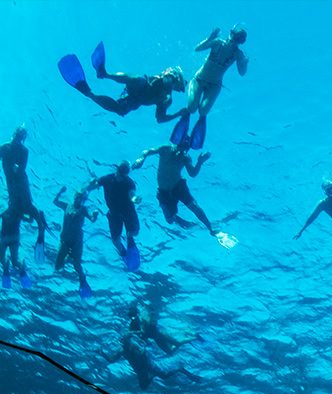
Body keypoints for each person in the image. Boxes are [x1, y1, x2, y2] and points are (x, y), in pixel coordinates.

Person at [57, 42, 187, 124]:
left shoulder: (166, 100)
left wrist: (177, 114)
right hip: (143, 84)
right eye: (181, 86)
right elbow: (168, 80)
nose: (180, 89)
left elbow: (160, 119)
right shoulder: (171, 78)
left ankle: (90, 93)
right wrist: (169, 95)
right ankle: (105, 74)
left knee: (120, 110)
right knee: (137, 80)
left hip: (135, 99)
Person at [171, 25, 248, 149]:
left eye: (238, 40)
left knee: (203, 110)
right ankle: (186, 118)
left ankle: (198, 125)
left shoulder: (237, 54)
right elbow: (197, 48)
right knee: (191, 108)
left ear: (240, 42)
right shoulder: (218, 43)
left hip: (214, 86)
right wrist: (209, 38)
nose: (233, 41)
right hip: (199, 80)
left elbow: (242, 73)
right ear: (230, 34)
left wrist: (244, 63)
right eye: (234, 37)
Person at [132, 138, 216, 236]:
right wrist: (141, 158)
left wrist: (200, 162)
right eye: (181, 147)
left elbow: (192, 173)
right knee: (169, 220)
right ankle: (176, 218)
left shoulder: (185, 157)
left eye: (186, 149)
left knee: (194, 206)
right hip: (163, 191)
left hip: (178, 186)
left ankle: (211, 228)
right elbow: (148, 151)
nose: (182, 151)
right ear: (177, 143)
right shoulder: (165, 149)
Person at [103, 314, 201, 390]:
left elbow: (142, 349)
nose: (123, 342)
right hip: (144, 367)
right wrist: (101, 352)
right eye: (123, 341)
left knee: (164, 374)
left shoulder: (133, 345)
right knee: (146, 385)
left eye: (124, 340)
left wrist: (141, 347)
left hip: (149, 365)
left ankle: (183, 369)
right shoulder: (122, 350)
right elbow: (111, 360)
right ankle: (179, 368)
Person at [0, 126, 47, 262]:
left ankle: (40, 232)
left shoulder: (23, 151)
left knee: (28, 208)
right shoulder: (3, 148)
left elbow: (21, 169)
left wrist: (16, 169)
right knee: (20, 209)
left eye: (21, 137)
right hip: (14, 193)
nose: (18, 139)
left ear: (23, 139)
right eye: (18, 135)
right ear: (14, 134)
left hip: (21, 187)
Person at [86, 161, 141, 271]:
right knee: (115, 241)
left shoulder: (129, 183)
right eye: (120, 172)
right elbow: (95, 184)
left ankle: (129, 238)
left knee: (134, 232)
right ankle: (124, 254)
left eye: (124, 174)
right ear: (117, 170)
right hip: (114, 213)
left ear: (126, 174)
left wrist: (135, 199)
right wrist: (89, 186)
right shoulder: (107, 179)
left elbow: (132, 194)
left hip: (128, 211)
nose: (121, 177)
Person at [52, 185, 99, 299]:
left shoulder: (83, 210)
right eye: (78, 196)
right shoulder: (67, 206)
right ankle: (68, 258)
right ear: (75, 196)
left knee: (77, 265)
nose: (79, 199)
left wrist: (95, 215)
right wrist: (60, 191)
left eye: (82, 198)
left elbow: (92, 220)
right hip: (64, 241)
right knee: (57, 266)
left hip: (77, 242)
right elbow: (55, 202)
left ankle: (82, 280)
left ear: (84, 200)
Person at [128, 300, 198, 355]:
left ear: (137, 313)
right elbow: (133, 334)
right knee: (170, 352)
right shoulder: (133, 324)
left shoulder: (143, 318)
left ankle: (194, 337)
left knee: (177, 343)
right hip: (156, 338)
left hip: (160, 333)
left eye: (134, 316)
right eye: (131, 318)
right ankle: (185, 335)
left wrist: (151, 315)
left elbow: (149, 324)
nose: (133, 319)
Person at [0, 209, 31, 289]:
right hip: (12, 238)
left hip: (6, 238)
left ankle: (10, 266)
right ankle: (21, 268)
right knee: (13, 262)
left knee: (5, 261)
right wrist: (32, 213)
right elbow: (30, 220)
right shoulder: (18, 212)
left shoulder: (6, 212)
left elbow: (30, 220)